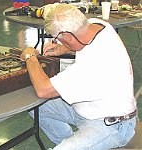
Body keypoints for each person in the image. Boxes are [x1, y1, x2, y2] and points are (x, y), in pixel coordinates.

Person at [20, 3, 137, 150]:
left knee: (41, 96)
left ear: (68, 36)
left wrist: (30, 56)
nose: (56, 41)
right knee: (34, 105)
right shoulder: (98, 25)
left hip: (113, 125)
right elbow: (83, 40)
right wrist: (64, 47)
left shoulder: (90, 66)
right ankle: (69, 141)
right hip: (88, 108)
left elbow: (43, 89)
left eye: (57, 39)